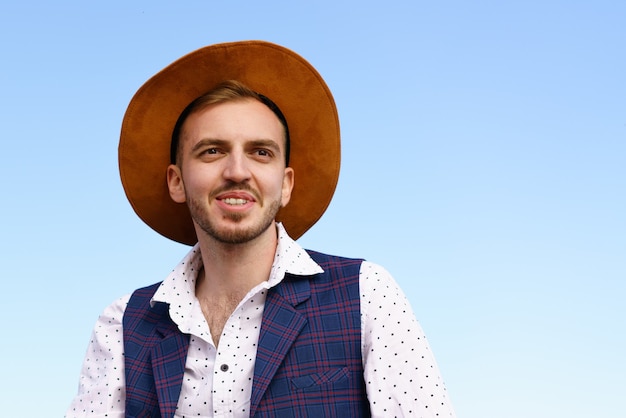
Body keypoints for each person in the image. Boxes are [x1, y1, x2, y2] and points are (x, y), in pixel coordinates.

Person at [66, 40, 456, 418]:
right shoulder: (122, 325)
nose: (237, 172)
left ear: (285, 183)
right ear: (177, 181)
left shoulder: (365, 293)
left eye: (260, 152)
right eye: (212, 151)